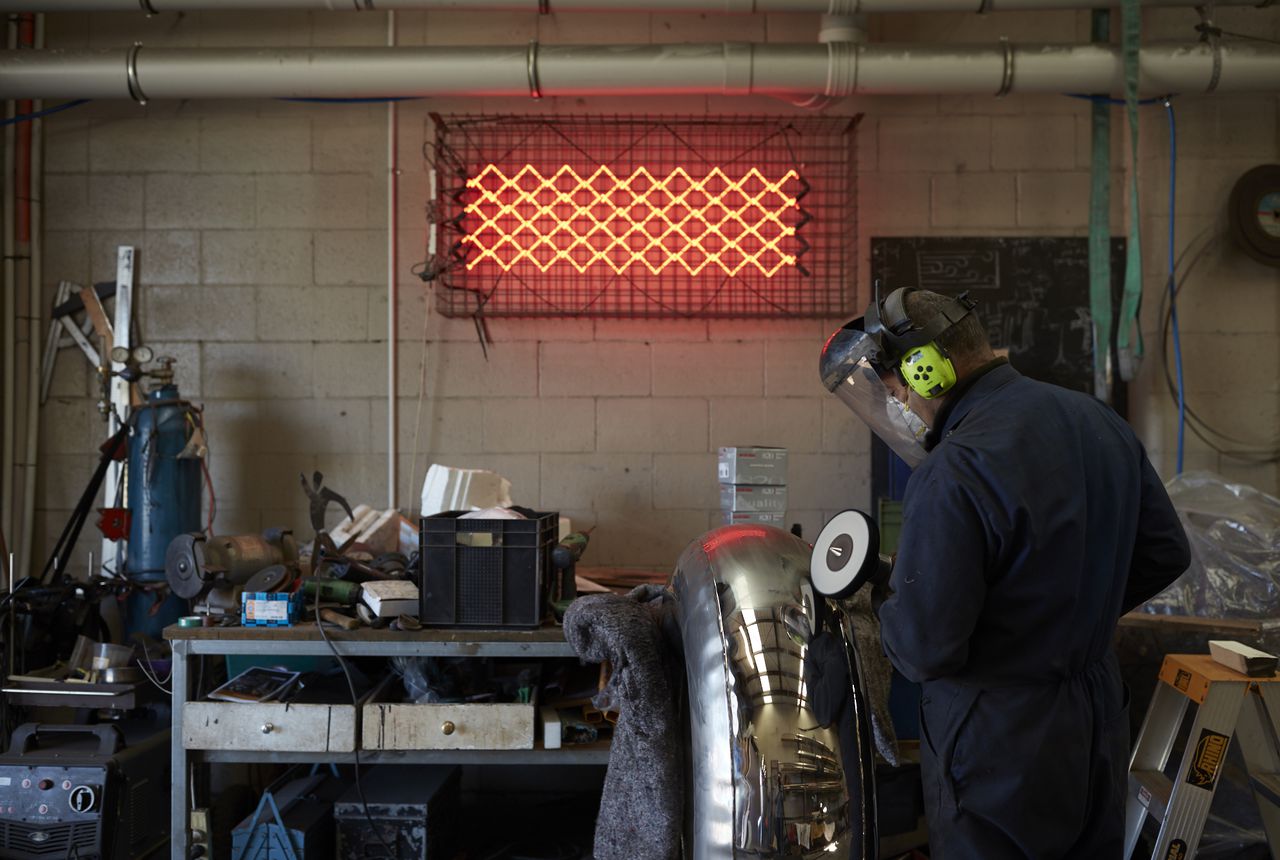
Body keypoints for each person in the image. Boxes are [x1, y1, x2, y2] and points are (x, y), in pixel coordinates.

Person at [819, 287, 1191, 859]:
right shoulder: (1098, 420)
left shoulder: (955, 467)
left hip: (1002, 740)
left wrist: (887, 603)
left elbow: (924, 650)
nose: (904, 409)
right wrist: (1067, 618)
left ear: (927, 370)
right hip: (1094, 716)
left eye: (898, 393)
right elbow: (1165, 552)